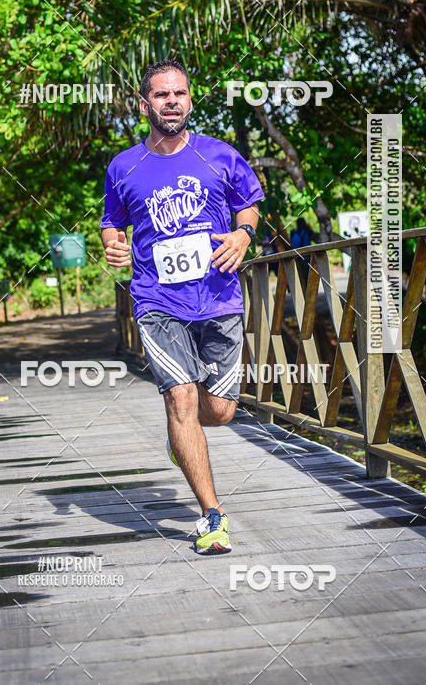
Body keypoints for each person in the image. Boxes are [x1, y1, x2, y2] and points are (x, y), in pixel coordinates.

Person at [101, 60, 264, 554]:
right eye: (162, 94)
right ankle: (212, 517)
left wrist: (243, 233)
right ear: (145, 103)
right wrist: (113, 243)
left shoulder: (220, 155)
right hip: (156, 300)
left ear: (189, 100)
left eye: (180, 93)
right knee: (182, 400)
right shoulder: (124, 166)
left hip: (218, 298)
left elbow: (249, 204)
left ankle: (181, 440)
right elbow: (112, 221)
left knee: (220, 411)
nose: (172, 101)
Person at [290, 217, 315, 284]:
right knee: (307, 275)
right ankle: (307, 290)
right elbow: (313, 237)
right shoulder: (307, 231)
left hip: (296, 257)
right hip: (306, 257)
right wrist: (309, 227)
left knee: (300, 275)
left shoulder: (293, 232)